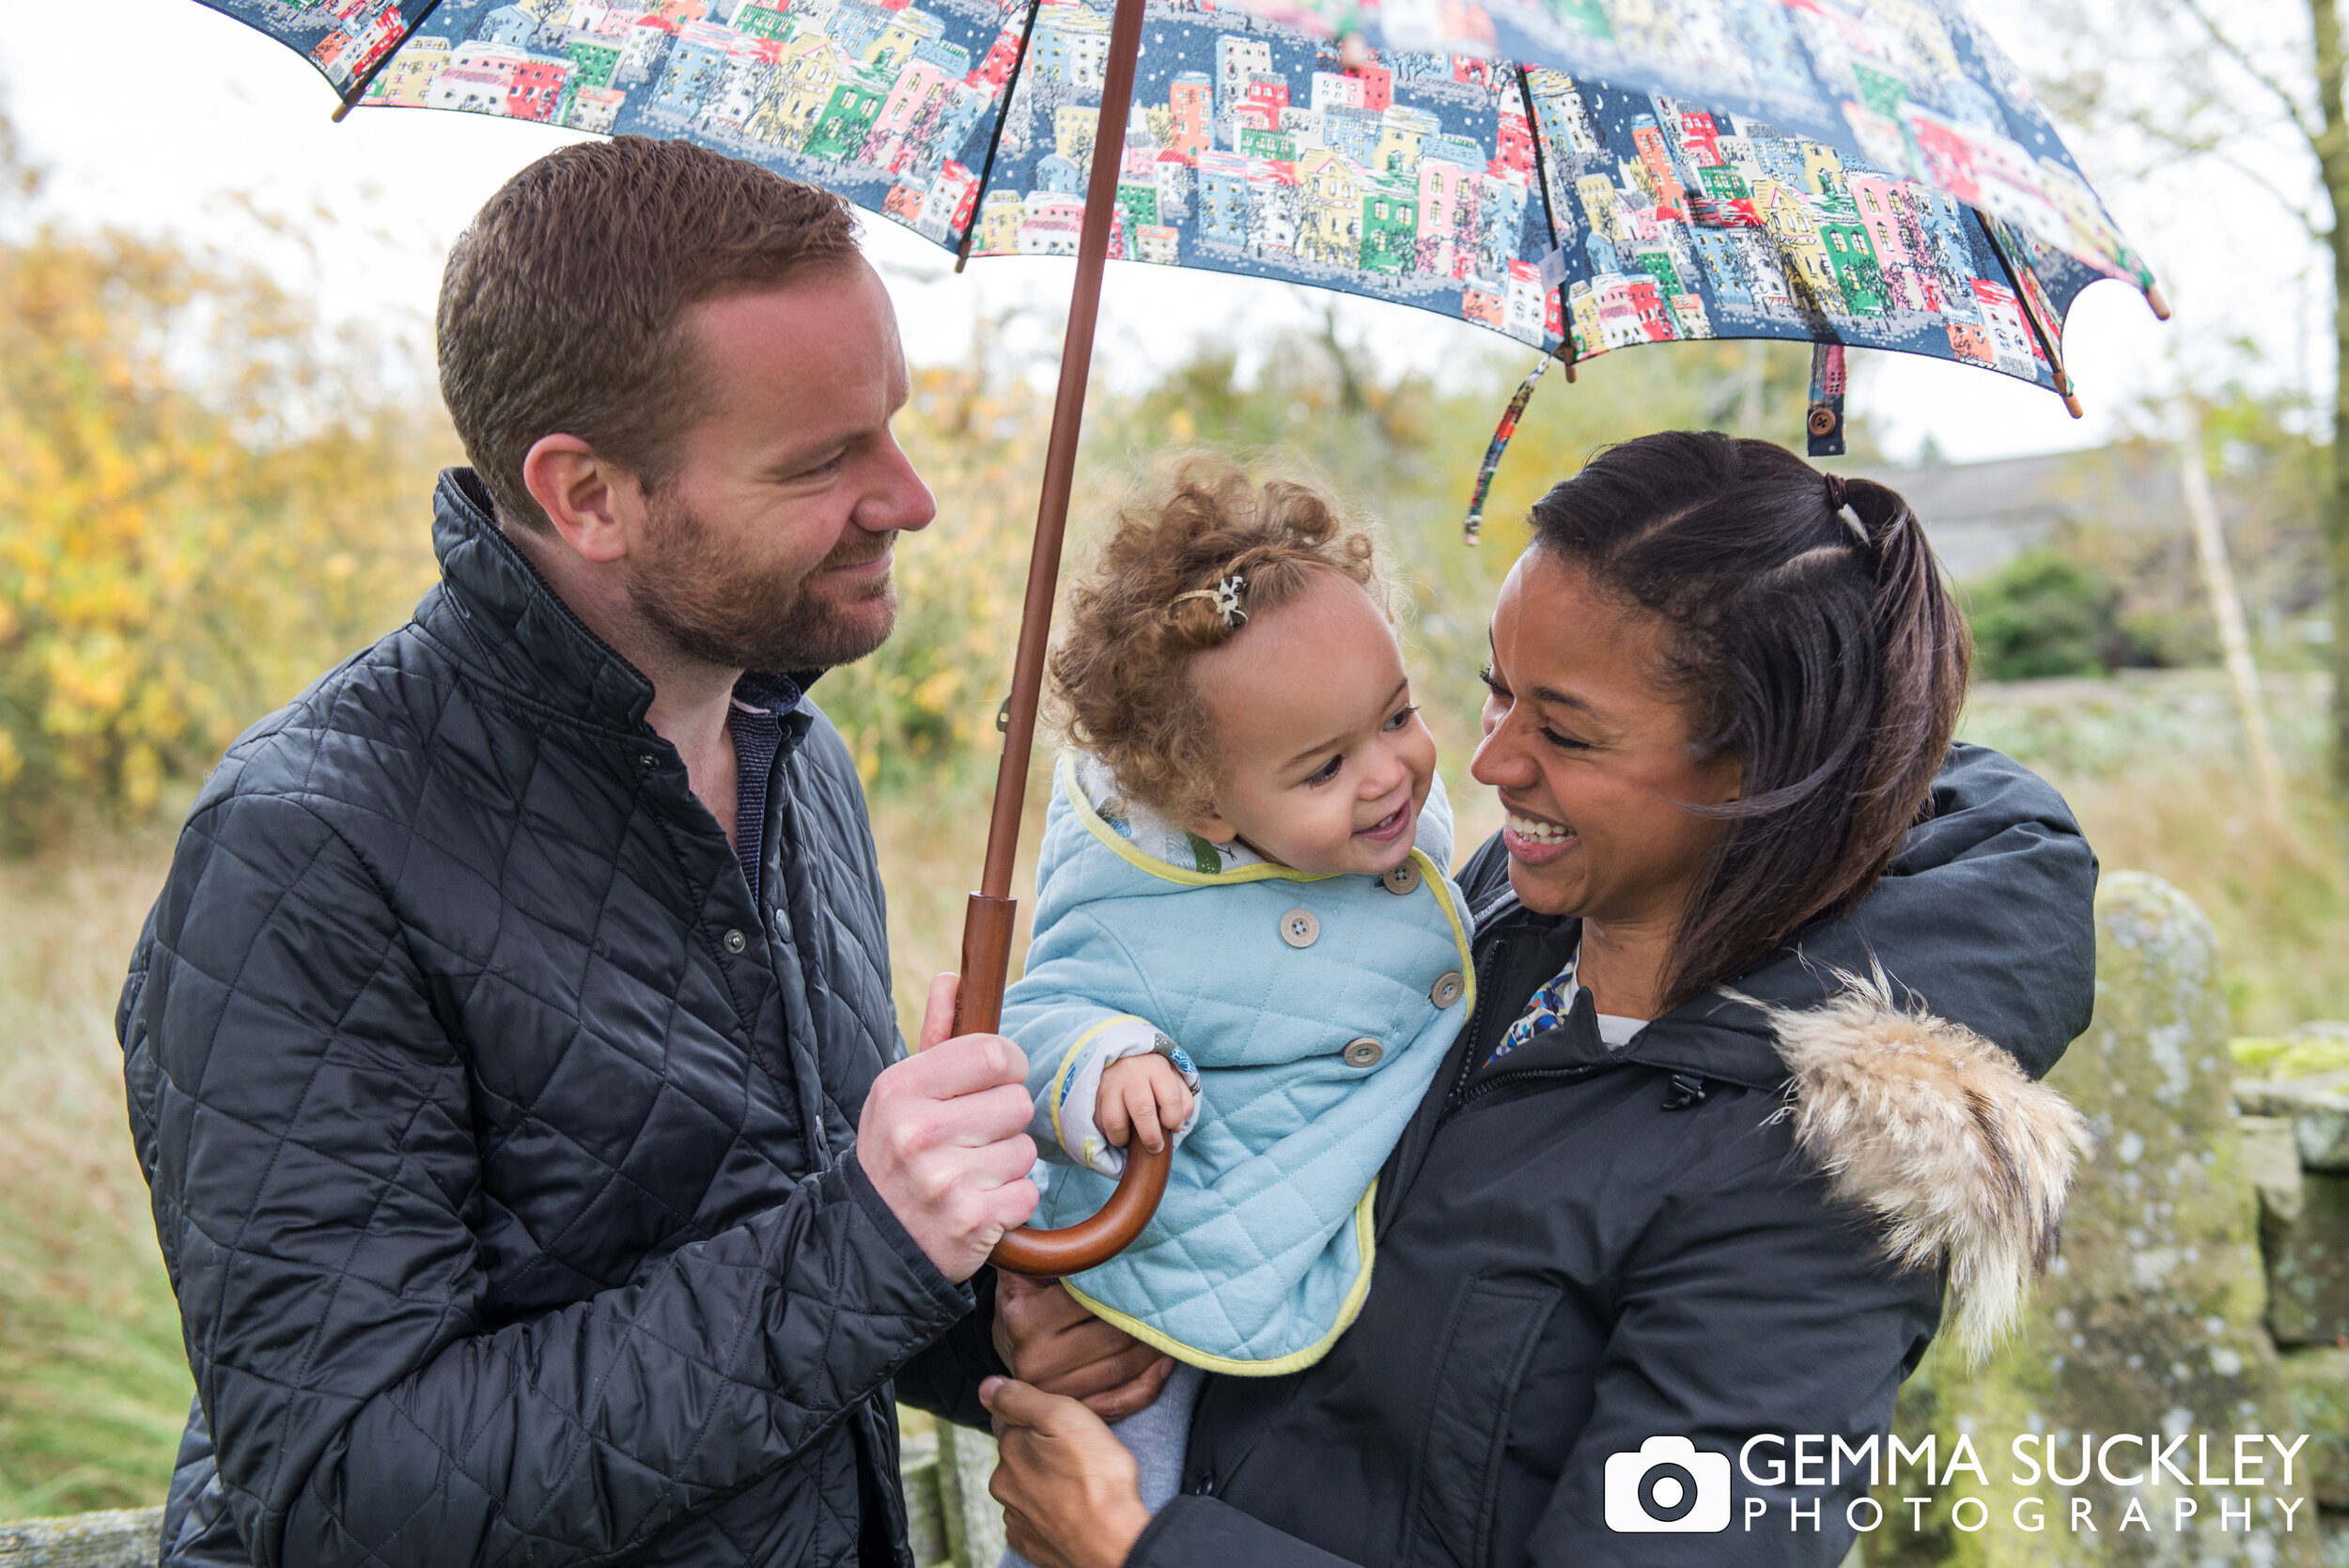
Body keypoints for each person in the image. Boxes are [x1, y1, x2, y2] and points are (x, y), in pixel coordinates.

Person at [117, 137, 1056, 1568]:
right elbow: (350, 1501)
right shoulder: (307, 850)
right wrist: (867, 1244)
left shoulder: (798, 764)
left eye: (894, 422)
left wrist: (1010, 1308)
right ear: (588, 495)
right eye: (823, 459)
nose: (908, 496)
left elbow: (776, 1269)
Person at [979, 431, 2100, 1568]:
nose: (1488, 763)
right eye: (1493, 694)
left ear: (1758, 767)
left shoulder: (1806, 1182)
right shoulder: (1494, 928)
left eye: (1562, 730)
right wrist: (1072, 1312)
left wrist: (1140, 1550)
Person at [994, 458, 1473, 1546]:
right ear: (1203, 803)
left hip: (1304, 1213)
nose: (1389, 774)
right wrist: (1106, 1061)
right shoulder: (1140, 897)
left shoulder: (1383, 826)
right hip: (1166, 1254)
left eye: (1397, 714)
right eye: (1323, 768)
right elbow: (1035, 1020)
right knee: (1117, 1474)